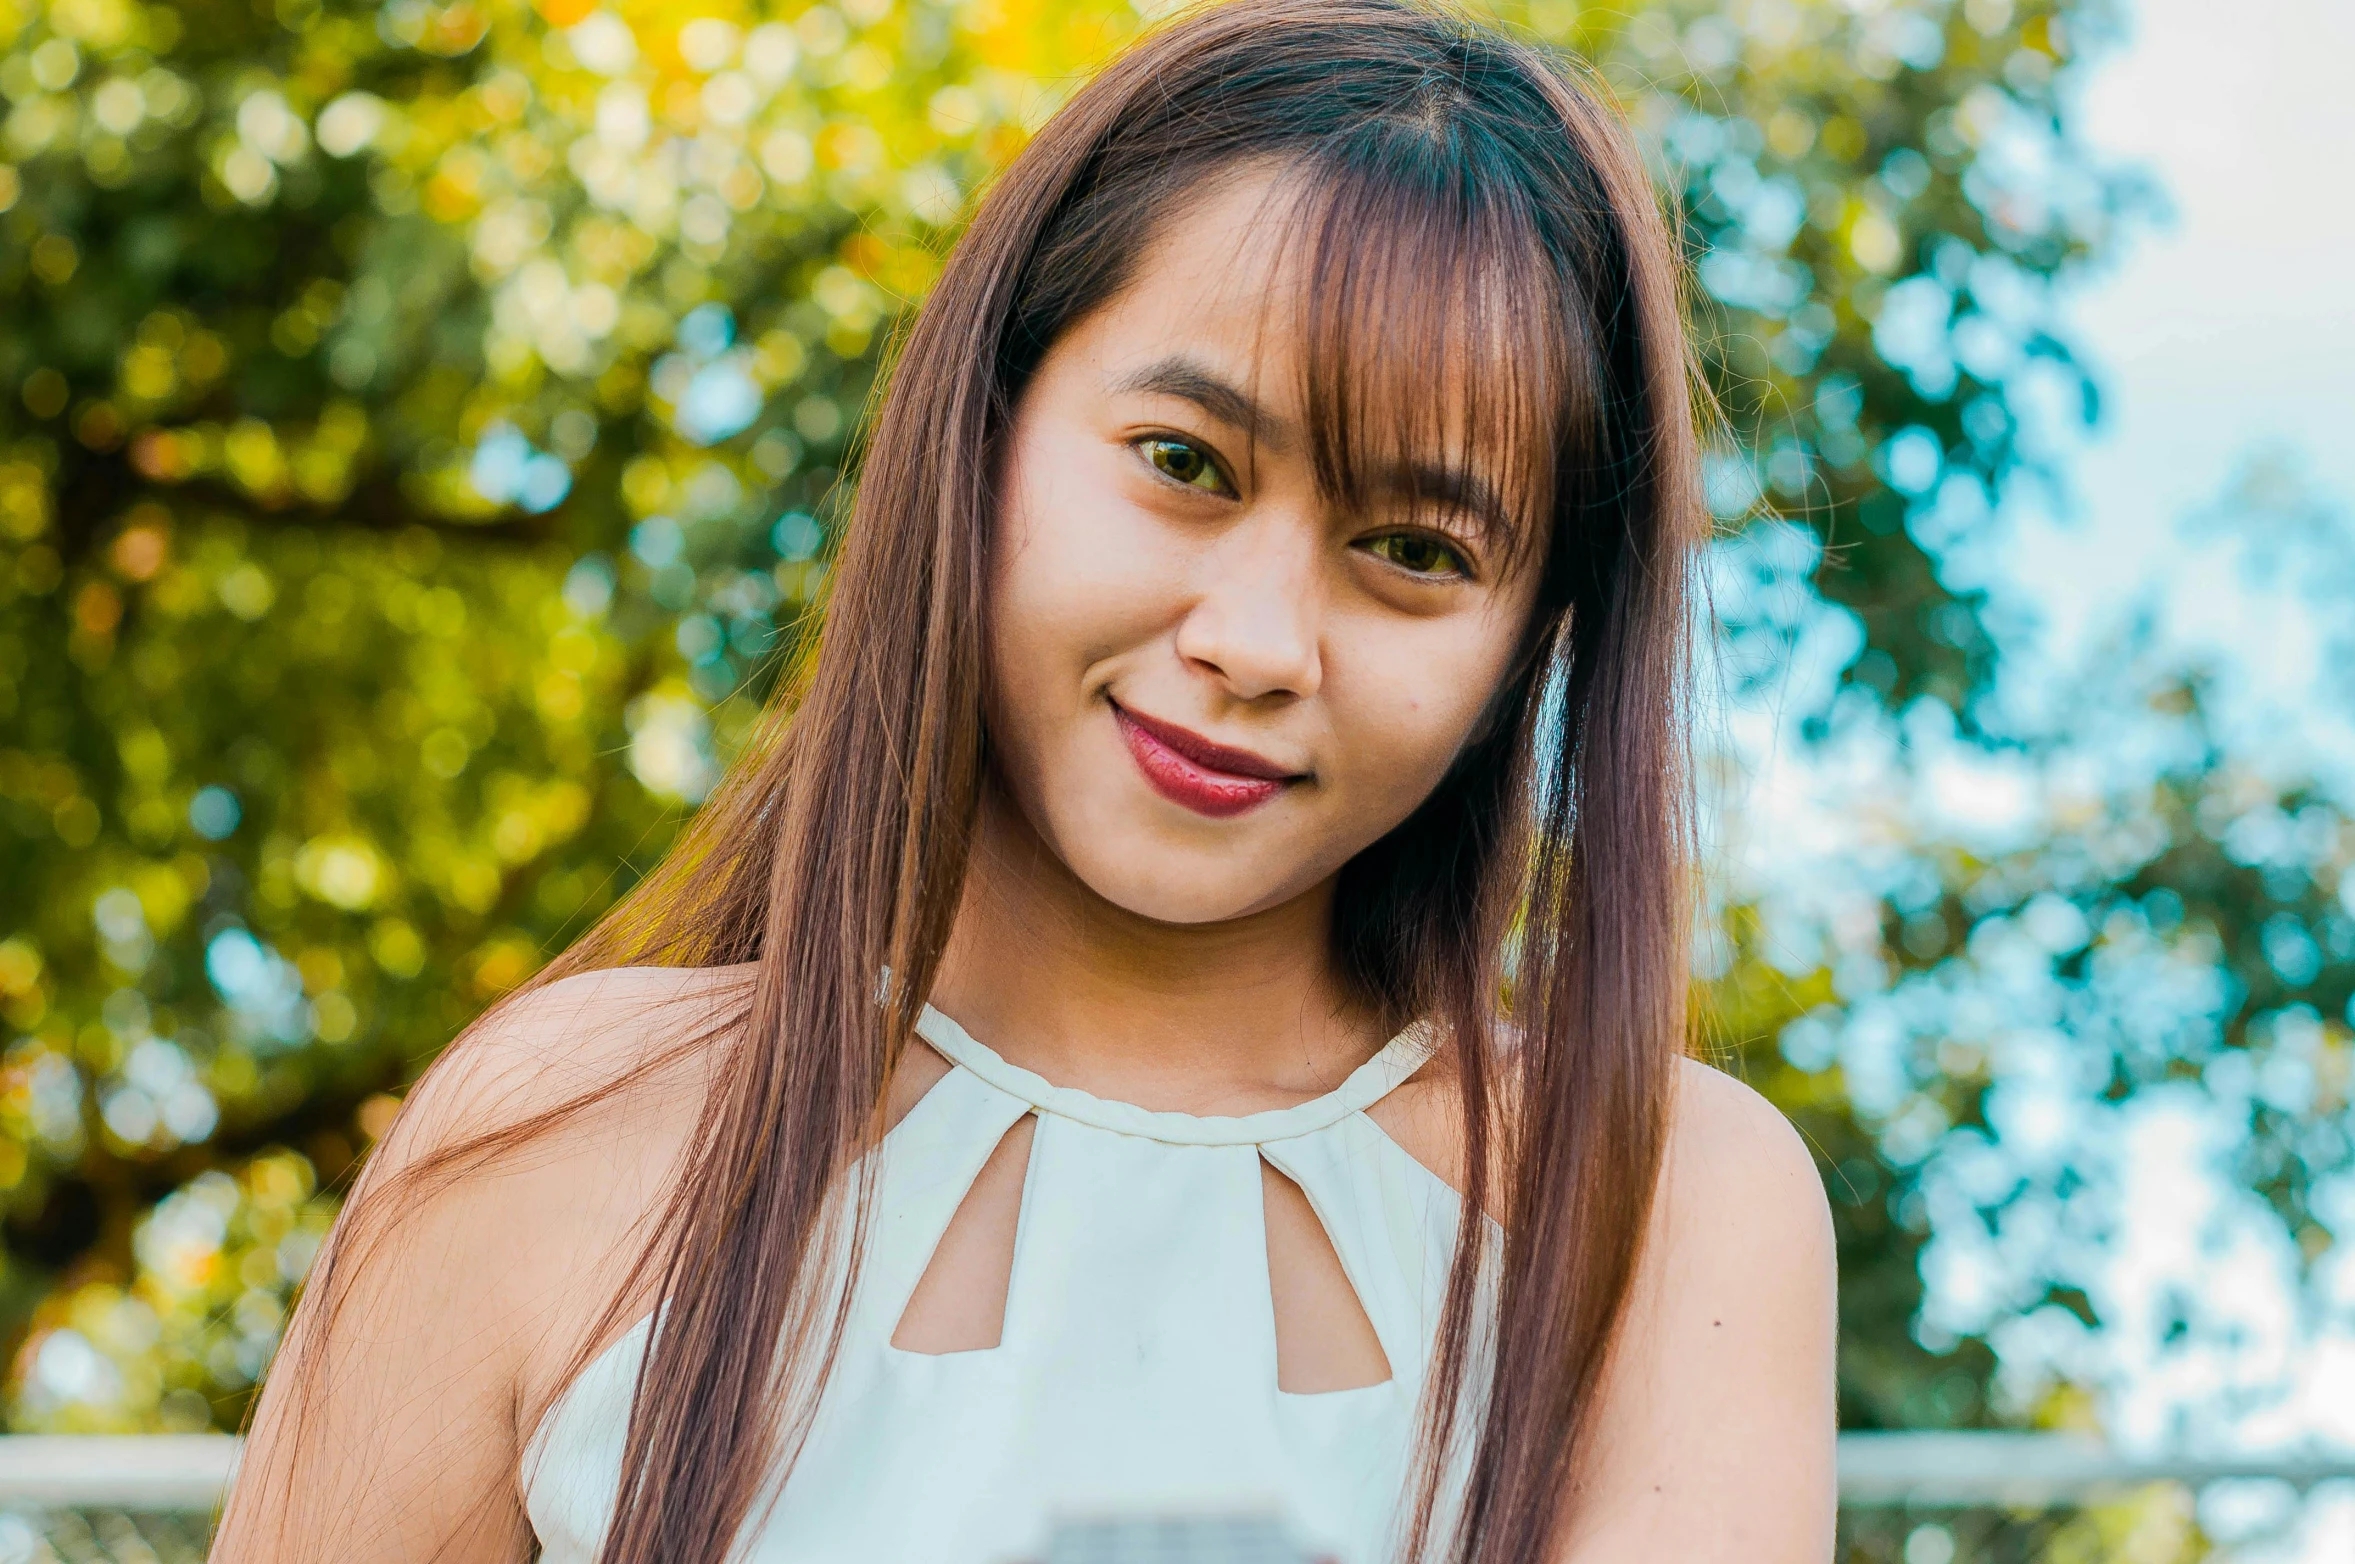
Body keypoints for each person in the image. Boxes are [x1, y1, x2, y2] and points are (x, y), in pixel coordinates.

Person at [212, 2, 1837, 1560]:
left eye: (1413, 551)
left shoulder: (1661, 1207)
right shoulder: (559, 1133)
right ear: (983, 426)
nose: (1257, 641)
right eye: (1184, 463)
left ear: (1530, 639)